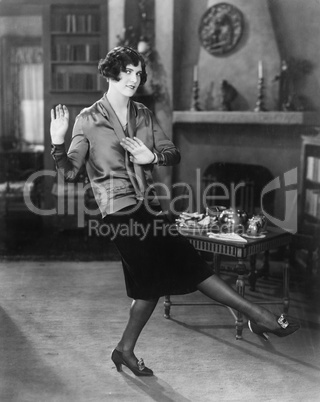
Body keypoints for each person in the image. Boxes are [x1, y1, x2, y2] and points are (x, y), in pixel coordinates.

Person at [50, 46, 300, 377]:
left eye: (139, 73)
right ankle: (260, 316)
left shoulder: (143, 115)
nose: (135, 78)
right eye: (128, 71)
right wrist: (57, 143)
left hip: (150, 208)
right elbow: (69, 172)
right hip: (119, 214)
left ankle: (124, 350)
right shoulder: (88, 120)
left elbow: (172, 152)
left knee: (160, 281)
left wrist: (151, 158)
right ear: (111, 72)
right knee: (178, 272)